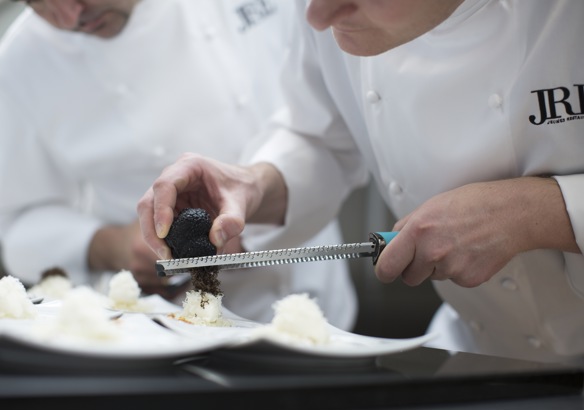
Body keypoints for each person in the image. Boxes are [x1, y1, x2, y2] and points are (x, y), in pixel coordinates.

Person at [138, 0, 584, 364]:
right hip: (478, 352)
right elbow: (324, 139)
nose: (316, 16)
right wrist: (252, 184)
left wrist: (540, 212)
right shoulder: (331, 13)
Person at [0, 0, 358, 329]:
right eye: (40, 3)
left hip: (314, 302)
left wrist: (255, 190)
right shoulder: (21, 61)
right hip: (162, 324)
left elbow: (330, 135)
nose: (71, 17)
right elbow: (17, 225)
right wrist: (115, 245)